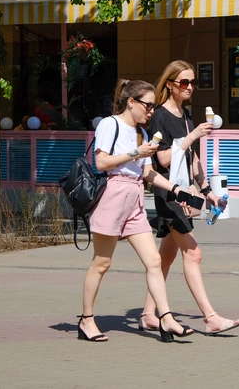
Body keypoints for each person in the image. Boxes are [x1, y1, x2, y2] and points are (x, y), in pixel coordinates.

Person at [78, 79, 195, 343]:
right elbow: (101, 162)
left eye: (153, 106)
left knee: (153, 261)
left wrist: (176, 189)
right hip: (113, 195)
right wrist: (136, 152)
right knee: (102, 263)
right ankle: (86, 320)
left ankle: (166, 319)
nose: (151, 111)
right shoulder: (111, 124)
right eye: (148, 105)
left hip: (135, 198)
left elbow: (147, 172)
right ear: (131, 102)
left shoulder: (142, 133)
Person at [138, 60, 239, 335]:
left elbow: (192, 159)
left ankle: (148, 314)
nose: (190, 87)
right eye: (184, 82)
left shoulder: (185, 115)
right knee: (193, 254)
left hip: (185, 192)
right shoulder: (160, 116)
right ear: (170, 84)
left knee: (166, 257)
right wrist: (192, 135)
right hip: (169, 193)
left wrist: (208, 192)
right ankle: (210, 317)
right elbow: (163, 159)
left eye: (193, 82)